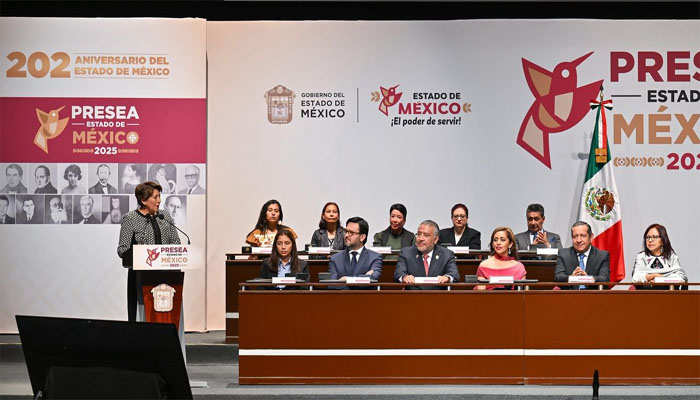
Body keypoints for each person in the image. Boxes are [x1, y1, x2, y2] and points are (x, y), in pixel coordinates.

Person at [117, 181, 181, 322]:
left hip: (167, 276)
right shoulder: (131, 219)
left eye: (159, 197)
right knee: (144, 316)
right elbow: (123, 249)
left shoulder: (165, 216)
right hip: (141, 277)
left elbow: (176, 242)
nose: (159, 200)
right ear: (143, 200)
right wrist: (141, 254)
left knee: (167, 312)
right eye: (155, 197)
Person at [394, 220, 459, 290]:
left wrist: (447, 277)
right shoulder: (406, 253)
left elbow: (454, 274)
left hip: (437, 295)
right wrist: (404, 277)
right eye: (419, 234)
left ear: (435, 239)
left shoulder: (446, 254)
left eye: (426, 235)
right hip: (414, 295)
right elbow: (398, 273)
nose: (420, 239)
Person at [328, 216, 382, 289]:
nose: (346, 235)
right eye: (346, 231)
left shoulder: (375, 257)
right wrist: (364, 277)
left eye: (351, 233)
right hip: (343, 296)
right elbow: (332, 285)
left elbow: (373, 279)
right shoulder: (335, 259)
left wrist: (346, 279)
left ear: (362, 237)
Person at [554, 221, 610, 289]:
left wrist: (588, 279)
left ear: (591, 237)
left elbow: (605, 279)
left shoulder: (602, 256)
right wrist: (571, 278)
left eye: (583, 236)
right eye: (575, 236)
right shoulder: (563, 254)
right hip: (570, 294)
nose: (578, 240)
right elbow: (558, 277)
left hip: (592, 294)